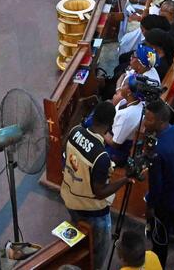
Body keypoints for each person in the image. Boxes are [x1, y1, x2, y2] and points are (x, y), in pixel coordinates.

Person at [60, 100, 130, 268]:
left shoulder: (75, 131)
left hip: (70, 198)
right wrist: (125, 179)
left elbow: (66, 154)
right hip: (92, 210)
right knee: (99, 249)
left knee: (79, 239)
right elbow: (99, 192)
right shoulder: (101, 156)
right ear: (111, 123)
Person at [141, 99, 174, 268]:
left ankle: (159, 265)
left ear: (160, 121)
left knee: (160, 239)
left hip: (166, 203)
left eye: (148, 119)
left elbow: (156, 185)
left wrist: (150, 207)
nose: (144, 122)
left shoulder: (158, 150)